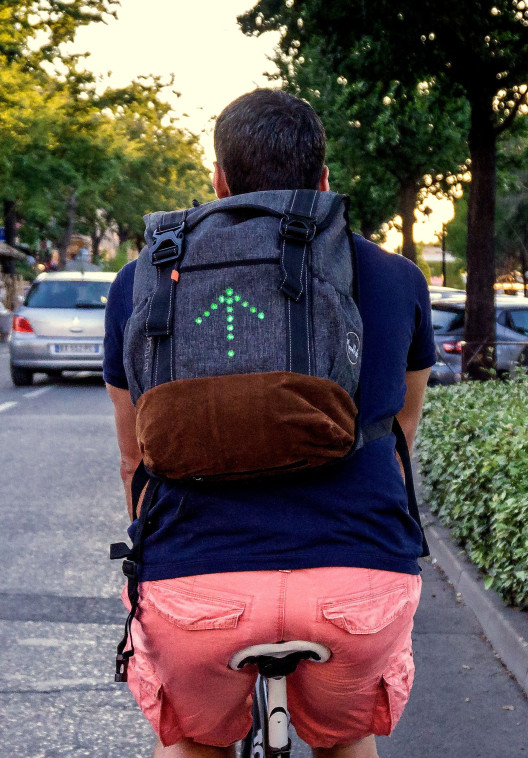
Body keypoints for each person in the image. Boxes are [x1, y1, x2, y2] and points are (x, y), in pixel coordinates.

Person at [104, 89, 434, 758]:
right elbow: (401, 432)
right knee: (346, 742)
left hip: (196, 583)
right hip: (358, 580)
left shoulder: (141, 280)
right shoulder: (398, 278)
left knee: (195, 742)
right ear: (323, 180)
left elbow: (134, 459)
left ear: (219, 182)